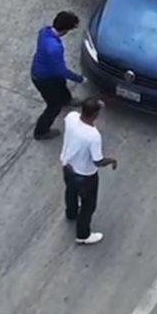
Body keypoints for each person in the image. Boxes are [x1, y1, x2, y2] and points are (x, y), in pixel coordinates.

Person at [60, 98, 118, 245]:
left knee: (71, 192)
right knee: (88, 205)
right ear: (95, 114)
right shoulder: (93, 136)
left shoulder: (71, 117)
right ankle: (83, 235)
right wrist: (111, 160)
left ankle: (71, 213)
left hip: (68, 167)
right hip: (85, 176)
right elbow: (97, 161)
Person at [31, 11, 84, 140]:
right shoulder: (54, 48)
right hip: (43, 78)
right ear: (66, 29)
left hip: (46, 71)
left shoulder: (45, 31)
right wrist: (80, 79)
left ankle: (66, 99)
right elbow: (62, 71)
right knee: (54, 106)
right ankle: (41, 131)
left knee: (61, 84)